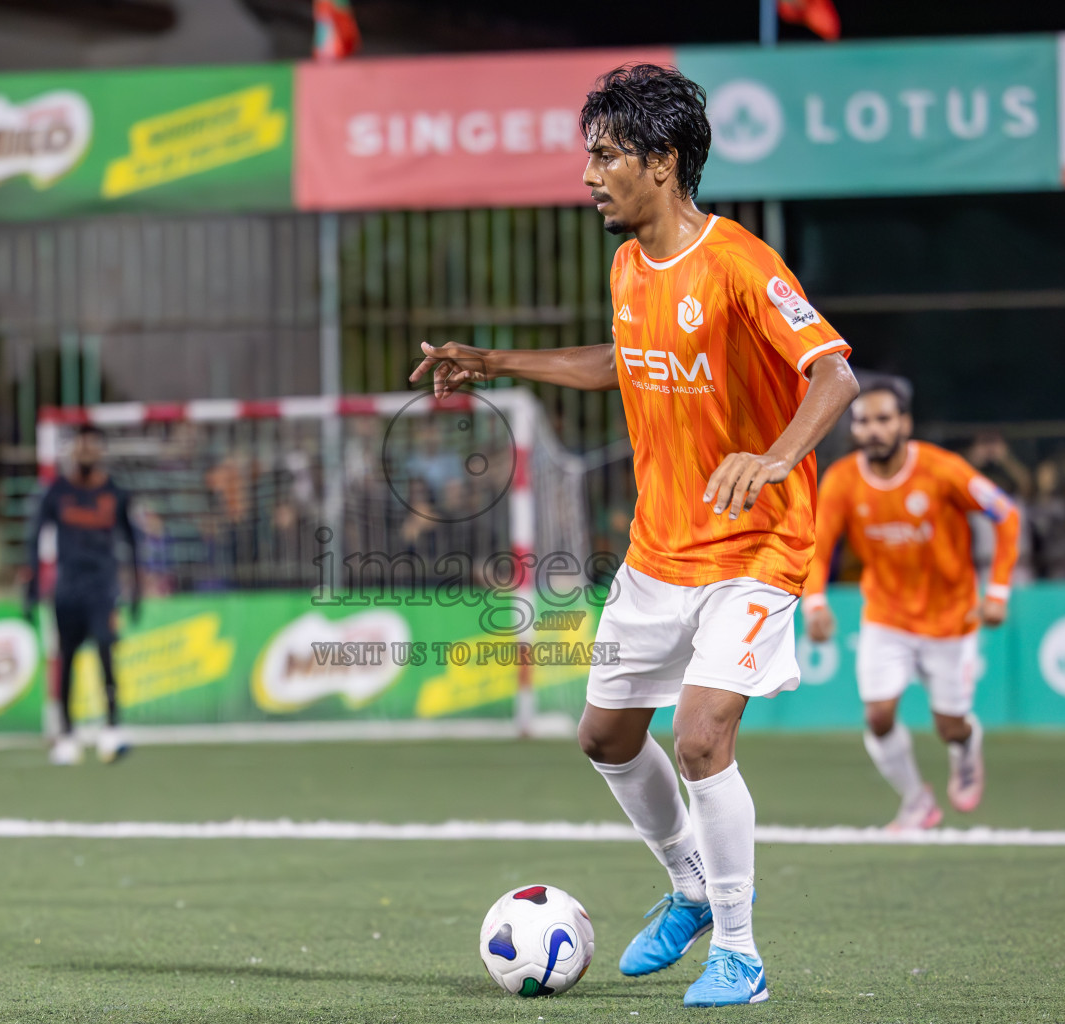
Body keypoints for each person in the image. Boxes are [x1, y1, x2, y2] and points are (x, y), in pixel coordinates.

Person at [410, 64, 858, 1008]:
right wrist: (493, 360)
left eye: (606, 155)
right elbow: (625, 359)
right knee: (607, 737)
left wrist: (775, 458)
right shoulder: (626, 265)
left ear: (662, 163)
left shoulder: (740, 262)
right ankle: (689, 884)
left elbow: (833, 377)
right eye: (590, 155)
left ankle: (738, 950)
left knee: (701, 738)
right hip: (660, 551)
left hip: (756, 544)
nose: (588, 175)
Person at [803, 378, 1019, 831]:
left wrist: (997, 592)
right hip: (886, 615)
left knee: (949, 725)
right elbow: (819, 545)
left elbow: (1007, 515)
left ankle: (965, 749)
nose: (873, 430)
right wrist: (814, 600)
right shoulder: (842, 479)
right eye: (863, 421)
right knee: (878, 716)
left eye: (884, 419)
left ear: (905, 423)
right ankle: (917, 801)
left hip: (951, 618)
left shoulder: (944, 471)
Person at [25, 424, 141, 766]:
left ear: (101, 452)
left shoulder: (115, 494)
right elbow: (35, 536)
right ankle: (66, 733)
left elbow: (132, 543)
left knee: (107, 648)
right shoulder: (57, 492)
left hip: (102, 588)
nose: (86, 452)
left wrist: (136, 590)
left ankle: (112, 727)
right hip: (68, 588)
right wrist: (31, 585)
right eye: (81, 446)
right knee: (67, 658)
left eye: (92, 446)